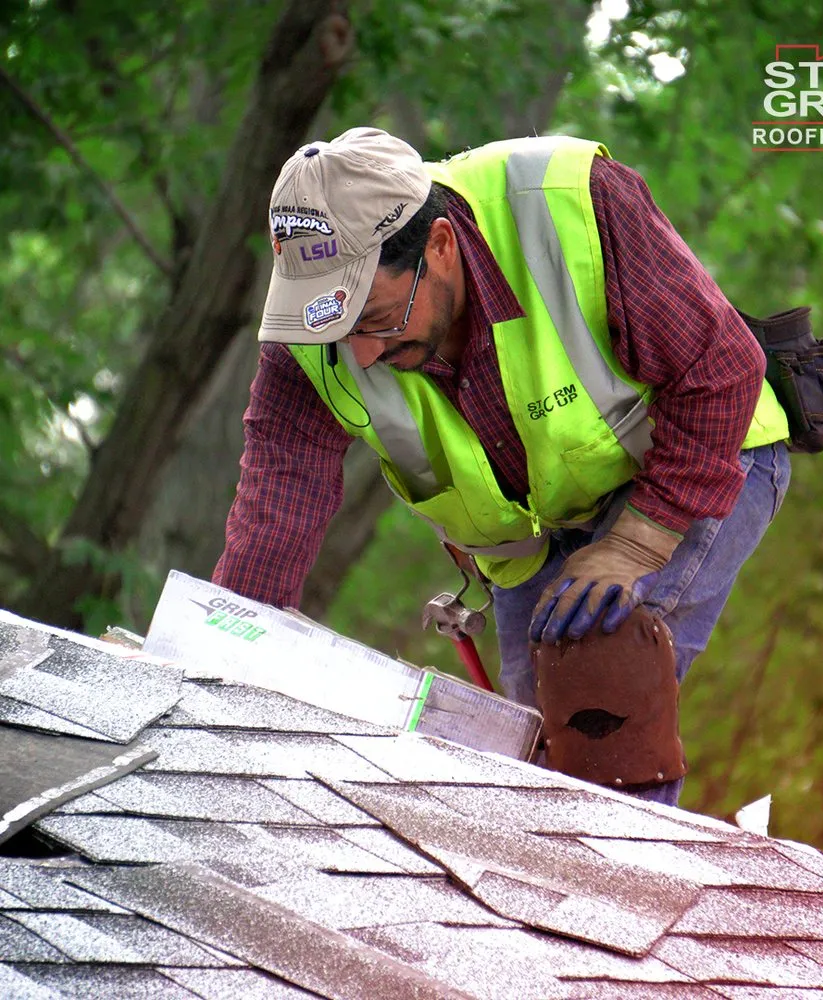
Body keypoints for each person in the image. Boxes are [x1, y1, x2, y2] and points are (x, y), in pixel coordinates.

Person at [214, 126, 791, 806]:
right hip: (534, 535)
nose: (360, 355)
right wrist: (224, 655)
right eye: (339, 334)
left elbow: (722, 371)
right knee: (540, 757)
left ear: (440, 246)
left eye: (375, 318)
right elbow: (277, 500)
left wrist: (634, 544)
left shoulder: (569, 201)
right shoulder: (312, 332)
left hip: (692, 459)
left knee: (597, 684)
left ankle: (614, 899)